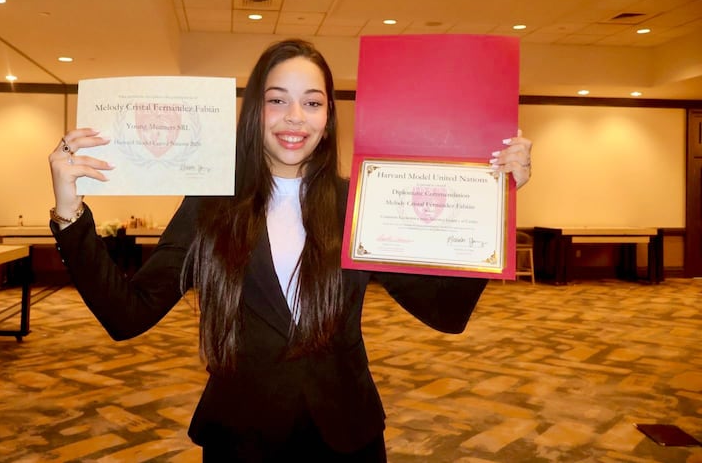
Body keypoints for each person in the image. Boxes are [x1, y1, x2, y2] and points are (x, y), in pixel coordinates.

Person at [48, 38, 532, 462]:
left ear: (328, 118)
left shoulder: (361, 201)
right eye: (277, 99)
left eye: (313, 103)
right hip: (241, 438)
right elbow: (128, 315)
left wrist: (493, 203)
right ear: (255, 111)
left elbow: (445, 311)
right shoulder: (211, 203)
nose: (295, 117)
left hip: (346, 435)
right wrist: (69, 211)